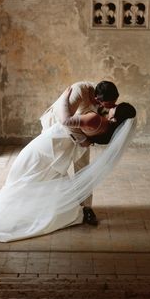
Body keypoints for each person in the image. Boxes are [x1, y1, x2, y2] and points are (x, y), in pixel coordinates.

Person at [0, 102, 137, 243]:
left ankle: (17, 211)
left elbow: (67, 120)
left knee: (28, 176)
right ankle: (39, 210)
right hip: (56, 150)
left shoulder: (96, 119)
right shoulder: (106, 130)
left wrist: (66, 97)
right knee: (39, 180)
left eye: (116, 106)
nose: (112, 106)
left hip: (50, 148)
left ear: (116, 114)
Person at [39, 81, 120, 225]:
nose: (111, 107)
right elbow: (63, 119)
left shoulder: (103, 101)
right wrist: (83, 139)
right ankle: (52, 206)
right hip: (58, 131)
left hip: (81, 133)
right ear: (99, 99)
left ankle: (86, 208)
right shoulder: (80, 90)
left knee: (84, 168)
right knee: (55, 168)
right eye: (109, 104)